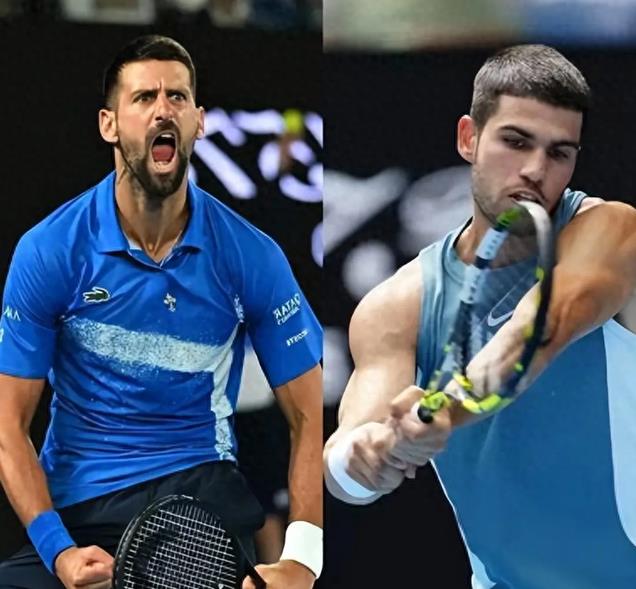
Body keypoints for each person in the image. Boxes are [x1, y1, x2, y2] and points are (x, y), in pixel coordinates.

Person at [0, 35, 322, 589]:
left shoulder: (251, 255)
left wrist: (304, 559)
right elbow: (8, 424)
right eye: (144, 97)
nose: (163, 110)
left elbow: (309, 414)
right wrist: (60, 552)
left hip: (200, 503)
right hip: (81, 510)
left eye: (177, 97)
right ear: (109, 124)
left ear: (199, 122)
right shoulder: (50, 250)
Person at [324, 44, 636, 588]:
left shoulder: (612, 230)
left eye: (560, 153)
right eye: (516, 142)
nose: (536, 170)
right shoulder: (398, 305)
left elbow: (538, 330)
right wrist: (370, 455)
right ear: (468, 138)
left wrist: (446, 409)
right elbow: (346, 465)